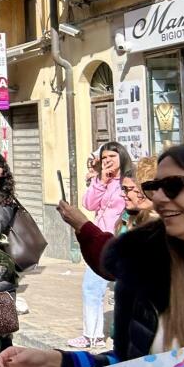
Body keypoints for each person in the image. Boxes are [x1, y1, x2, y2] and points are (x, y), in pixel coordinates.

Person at [0, 142, 184, 367]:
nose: (158, 197)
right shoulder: (140, 266)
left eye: (172, 185)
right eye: (153, 187)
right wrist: (53, 361)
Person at [57, 156, 158, 280]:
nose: (123, 194)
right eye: (122, 188)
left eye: (128, 189)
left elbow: (118, 261)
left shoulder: (160, 228)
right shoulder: (130, 217)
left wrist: (82, 225)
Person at [74, 141, 134, 349]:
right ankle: (93, 335)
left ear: (122, 158)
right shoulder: (104, 180)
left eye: (112, 157)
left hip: (119, 241)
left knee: (116, 290)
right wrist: (100, 180)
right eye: (104, 158)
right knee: (92, 287)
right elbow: (89, 204)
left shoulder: (128, 181)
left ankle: (108, 334)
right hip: (101, 240)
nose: (107, 161)